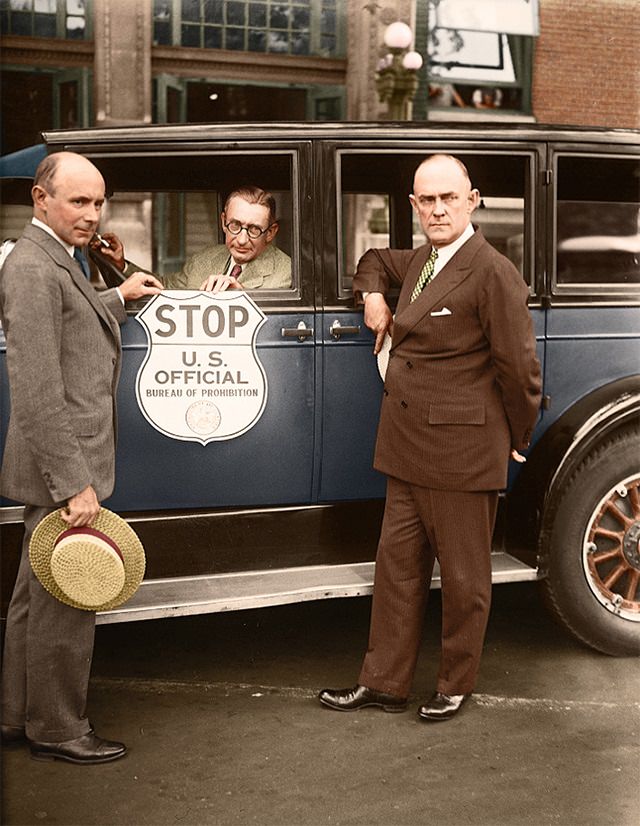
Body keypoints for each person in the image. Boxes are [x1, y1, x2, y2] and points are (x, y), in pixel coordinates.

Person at [319, 154, 541, 722]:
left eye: (449, 197)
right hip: (408, 448)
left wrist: (517, 435)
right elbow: (371, 259)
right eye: (426, 200)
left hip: (463, 452)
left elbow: (518, 368)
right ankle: (385, 683)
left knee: (466, 581)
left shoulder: (491, 270)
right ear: (414, 205)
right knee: (396, 572)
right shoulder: (422, 259)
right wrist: (373, 296)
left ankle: (455, 684)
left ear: (473, 200)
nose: (437, 208)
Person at [0, 151, 163, 763]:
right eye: (78, 201)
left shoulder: (52, 258)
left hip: (54, 463)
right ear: (41, 200)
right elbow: (39, 392)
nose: (93, 214)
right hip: (63, 465)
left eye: (99, 202)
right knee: (68, 597)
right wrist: (75, 486)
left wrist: (116, 297)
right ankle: (59, 727)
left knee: (32, 596)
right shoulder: (34, 267)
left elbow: (71, 326)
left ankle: (18, 716)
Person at [92, 185, 292, 292]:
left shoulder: (287, 273)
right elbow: (163, 287)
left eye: (254, 230)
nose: (241, 240)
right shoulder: (204, 259)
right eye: (235, 226)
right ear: (224, 222)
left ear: (272, 232)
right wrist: (120, 265)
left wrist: (241, 296)